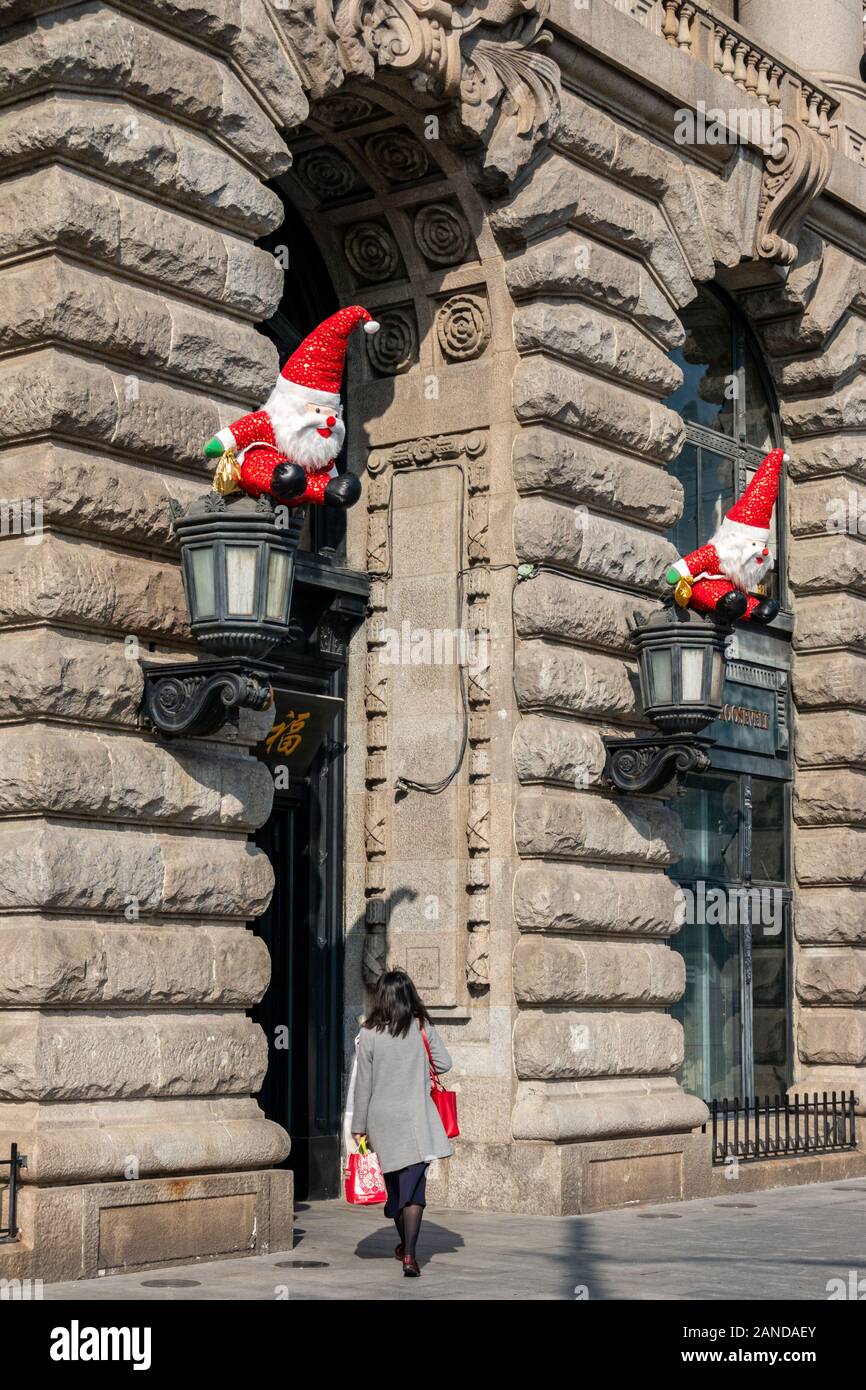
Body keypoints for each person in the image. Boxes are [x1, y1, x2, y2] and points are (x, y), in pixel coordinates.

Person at [350, 969, 453, 1277]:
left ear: (381, 997)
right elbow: (445, 1064)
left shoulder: (368, 1035)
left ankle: (404, 1246)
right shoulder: (422, 1027)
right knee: (414, 1191)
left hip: (382, 1122)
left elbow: (363, 1086)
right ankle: (409, 1255)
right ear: (410, 997)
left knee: (397, 1190)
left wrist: (359, 1126)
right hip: (417, 1120)